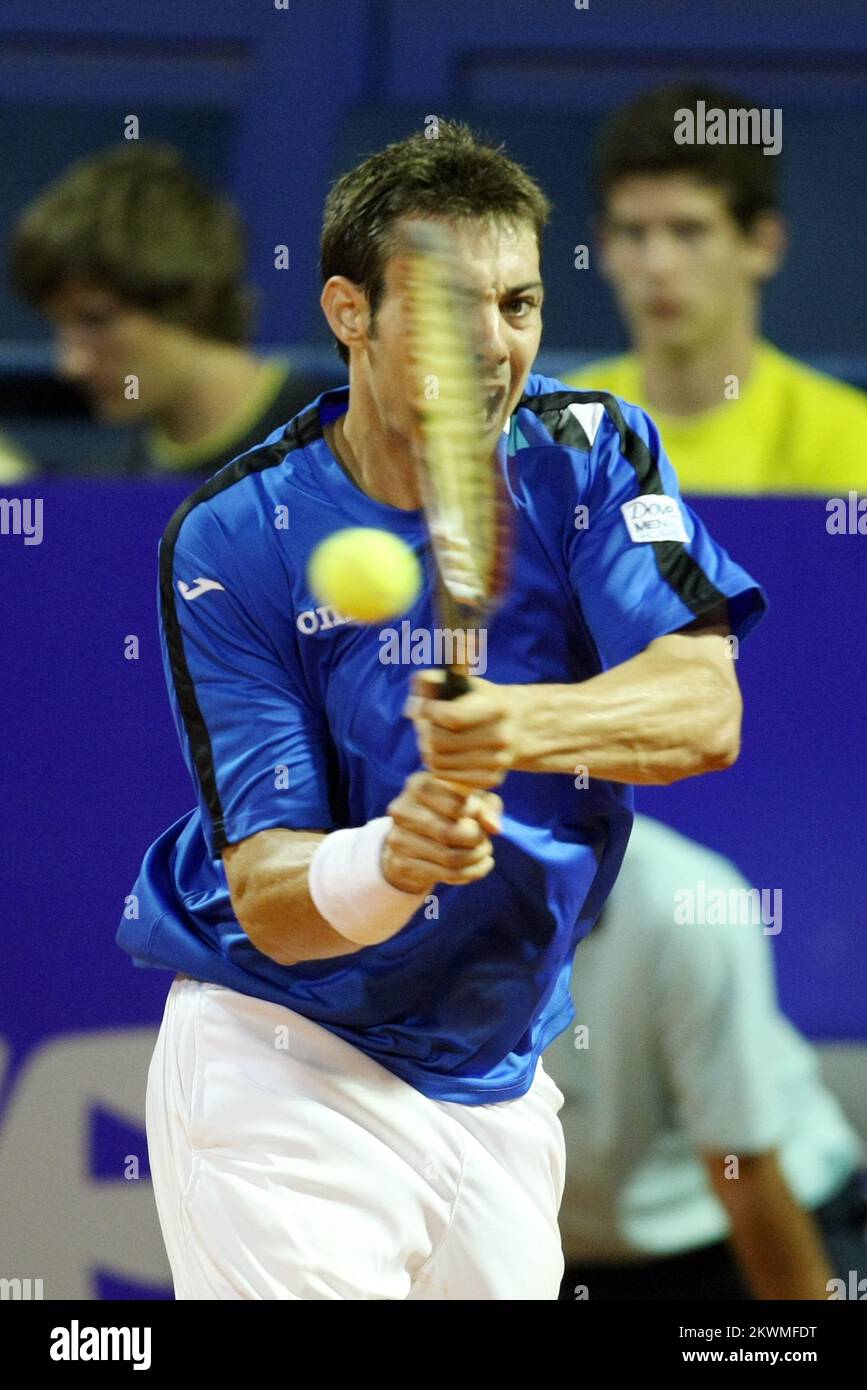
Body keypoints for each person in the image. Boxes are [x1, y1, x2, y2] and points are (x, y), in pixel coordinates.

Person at [117, 121, 767, 1300]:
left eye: (518, 304)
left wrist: (513, 726)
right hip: (288, 1063)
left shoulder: (591, 450)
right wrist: (393, 858)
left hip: (499, 1075)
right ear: (348, 312)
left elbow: (701, 712)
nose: (493, 345)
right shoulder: (231, 537)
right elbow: (271, 895)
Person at [543, 814, 867, 1301]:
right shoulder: (416, 899)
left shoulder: (688, 907)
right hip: (565, 1254)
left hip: (737, 1232)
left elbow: (744, 1167)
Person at [564, 83, 867, 494]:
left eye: (689, 231)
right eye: (633, 233)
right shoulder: (553, 433)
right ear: (603, 246)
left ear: (763, 244)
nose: (657, 264)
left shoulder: (849, 440)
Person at [9, 144, 339, 481]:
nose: (71, 365)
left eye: (96, 320)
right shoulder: (111, 482)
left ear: (185, 296)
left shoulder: (351, 439)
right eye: (61, 326)